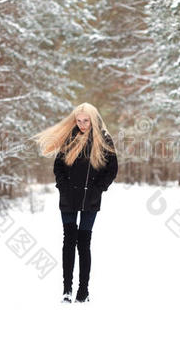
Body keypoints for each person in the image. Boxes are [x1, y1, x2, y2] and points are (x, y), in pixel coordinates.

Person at [32, 102, 118, 303]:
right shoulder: (69, 138)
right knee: (68, 241)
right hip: (68, 198)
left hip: (91, 198)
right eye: (78, 121)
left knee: (84, 243)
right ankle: (67, 289)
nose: (82, 124)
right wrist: (63, 186)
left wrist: (99, 188)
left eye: (85, 120)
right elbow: (58, 167)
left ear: (93, 119)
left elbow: (112, 170)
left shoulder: (104, 139)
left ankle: (83, 290)